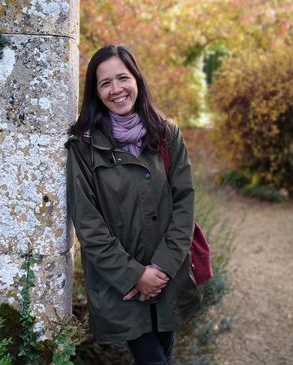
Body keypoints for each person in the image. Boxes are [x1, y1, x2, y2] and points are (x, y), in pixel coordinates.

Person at [66, 44, 201, 365]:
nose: (116, 90)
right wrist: (134, 275)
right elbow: (88, 223)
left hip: (168, 275)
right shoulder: (83, 147)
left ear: (137, 80)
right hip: (121, 285)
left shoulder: (167, 134)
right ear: (96, 92)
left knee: (162, 354)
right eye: (105, 83)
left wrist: (162, 268)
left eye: (122, 78)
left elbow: (185, 203)